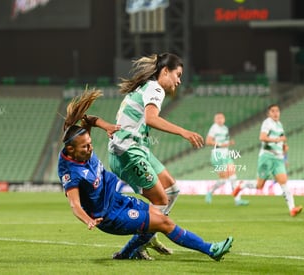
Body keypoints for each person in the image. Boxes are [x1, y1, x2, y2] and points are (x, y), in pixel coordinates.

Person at [58, 89, 233, 261]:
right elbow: (75, 204)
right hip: (109, 216)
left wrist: (106, 126)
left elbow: (89, 120)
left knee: (159, 216)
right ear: (71, 150)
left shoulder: (79, 141)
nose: (90, 148)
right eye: (85, 147)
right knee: (164, 224)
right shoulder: (70, 172)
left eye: (90, 143)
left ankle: (127, 253)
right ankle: (210, 249)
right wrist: (88, 220)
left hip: (118, 200)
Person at [108, 53, 204, 257]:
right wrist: (184, 132)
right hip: (127, 151)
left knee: (172, 189)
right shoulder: (155, 88)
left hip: (137, 148)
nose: (179, 80)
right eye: (177, 74)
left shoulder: (145, 87)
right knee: (161, 200)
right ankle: (135, 247)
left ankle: (146, 238)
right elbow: (151, 119)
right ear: (165, 71)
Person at [233, 104, 303, 217]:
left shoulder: (280, 125)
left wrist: (284, 148)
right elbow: (262, 137)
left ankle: (292, 209)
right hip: (267, 157)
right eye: (273, 111)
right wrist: (277, 140)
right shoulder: (267, 123)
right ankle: (242, 185)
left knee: (284, 182)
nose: (275, 113)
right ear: (269, 113)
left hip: (278, 158)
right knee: (259, 185)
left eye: (277, 111)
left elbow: (282, 141)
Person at [205, 112, 253, 206]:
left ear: (224, 119)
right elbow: (208, 141)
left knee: (233, 176)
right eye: (218, 118)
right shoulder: (214, 128)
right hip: (217, 154)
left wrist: (228, 143)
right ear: (215, 120)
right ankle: (210, 192)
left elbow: (225, 142)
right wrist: (221, 144)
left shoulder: (225, 128)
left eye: (221, 118)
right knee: (223, 179)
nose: (220, 119)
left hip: (226, 154)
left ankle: (237, 200)